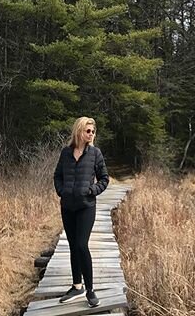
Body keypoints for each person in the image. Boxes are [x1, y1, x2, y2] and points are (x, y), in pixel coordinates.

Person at [53, 116, 110, 307]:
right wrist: (62, 191)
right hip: (68, 207)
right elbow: (57, 175)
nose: (91, 134)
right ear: (79, 131)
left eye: (93, 131)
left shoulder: (95, 154)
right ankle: (77, 286)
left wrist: (92, 191)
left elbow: (104, 178)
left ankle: (90, 289)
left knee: (81, 245)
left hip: (86, 206)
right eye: (88, 131)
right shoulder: (66, 153)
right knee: (72, 245)